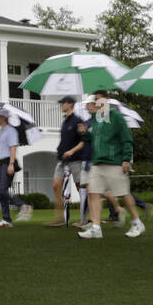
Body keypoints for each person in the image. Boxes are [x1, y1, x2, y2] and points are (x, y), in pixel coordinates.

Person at [78, 93, 145, 240]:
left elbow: (127, 139)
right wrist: (84, 134)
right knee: (93, 193)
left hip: (114, 162)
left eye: (100, 99)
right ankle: (96, 228)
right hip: (97, 163)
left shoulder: (116, 117)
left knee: (123, 194)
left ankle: (137, 222)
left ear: (107, 100)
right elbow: (93, 138)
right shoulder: (96, 119)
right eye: (96, 100)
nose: (97, 102)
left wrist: (126, 159)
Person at [47, 96, 85, 227]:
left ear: (70, 104)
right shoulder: (65, 122)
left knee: (80, 187)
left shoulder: (78, 121)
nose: (61, 105)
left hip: (75, 159)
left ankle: (84, 219)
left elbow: (83, 142)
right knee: (56, 185)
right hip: (62, 160)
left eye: (63, 103)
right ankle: (60, 218)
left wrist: (72, 151)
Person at [0, 116, 21, 228]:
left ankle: (21, 205)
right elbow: (3, 149)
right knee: (1, 193)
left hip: (7, 163)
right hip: (0, 163)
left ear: (3, 117)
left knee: (2, 191)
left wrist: (11, 164)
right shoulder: (1, 131)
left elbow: (13, 148)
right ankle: (6, 220)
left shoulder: (11, 130)